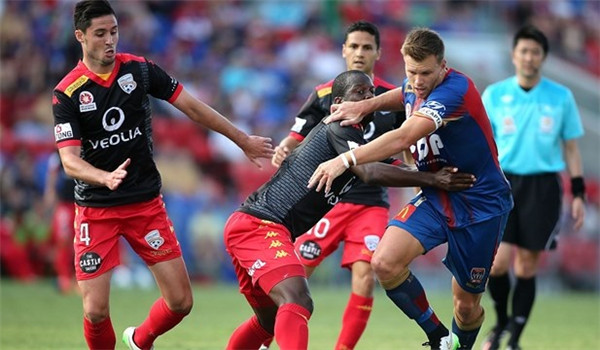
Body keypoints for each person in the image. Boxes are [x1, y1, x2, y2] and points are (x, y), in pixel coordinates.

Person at [52, 1, 274, 349]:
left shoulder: (140, 70)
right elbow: (69, 161)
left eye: (114, 31)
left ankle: (140, 340)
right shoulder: (68, 92)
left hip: (145, 205)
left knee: (181, 302)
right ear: (81, 36)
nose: (110, 40)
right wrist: (103, 177)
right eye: (100, 34)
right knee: (95, 311)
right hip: (97, 210)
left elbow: (192, 107)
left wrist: (241, 139)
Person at [225, 70, 476, 350]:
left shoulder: (356, 141)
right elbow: (369, 171)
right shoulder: (338, 127)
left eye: (371, 93)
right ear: (338, 104)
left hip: (258, 226)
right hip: (259, 226)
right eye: (360, 93)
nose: (368, 98)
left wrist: (429, 173)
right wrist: (431, 179)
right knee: (297, 299)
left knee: (268, 321)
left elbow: (387, 165)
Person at [308, 27, 514, 350]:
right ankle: (438, 338)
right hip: (436, 195)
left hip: (480, 203)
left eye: (426, 73)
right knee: (384, 262)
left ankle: (459, 344)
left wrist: (345, 160)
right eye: (411, 71)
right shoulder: (415, 84)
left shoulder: (454, 91)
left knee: (465, 305)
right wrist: (365, 106)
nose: (418, 80)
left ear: (443, 66)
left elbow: (405, 137)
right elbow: (403, 92)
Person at [270, 20, 406, 350]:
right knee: (295, 274)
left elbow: (408, 144)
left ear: (378, 52)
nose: (360, 53)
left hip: (371, 204)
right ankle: (265, 337)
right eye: (354, 46)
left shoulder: (393, 99)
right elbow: (296, 135)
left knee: (365, 276)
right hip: (326, 201)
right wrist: (286, 146)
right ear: (344, 50)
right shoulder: (323, 94)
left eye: (367, 47)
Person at [480, 25, 585, 350]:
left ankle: (515, 338)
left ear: (543, 57)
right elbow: (484, 143)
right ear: (514, 56)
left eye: (535, 52)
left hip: (543, 187)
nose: (529, 58)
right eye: (523, 51)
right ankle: (499, 323)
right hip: (504, 184)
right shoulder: (495, 95)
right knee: (497, 263)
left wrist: (579, 193)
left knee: (526, 265)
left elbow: (570, 147)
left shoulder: (560, 97)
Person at [43, 151, 77, 294]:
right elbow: (52, 176)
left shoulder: (86, 147)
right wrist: (49, 195)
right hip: (65, 204)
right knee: (63, 241)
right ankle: (63, 279)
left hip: (82, 204)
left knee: (81, 242)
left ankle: (78, 280)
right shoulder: (57, 155)